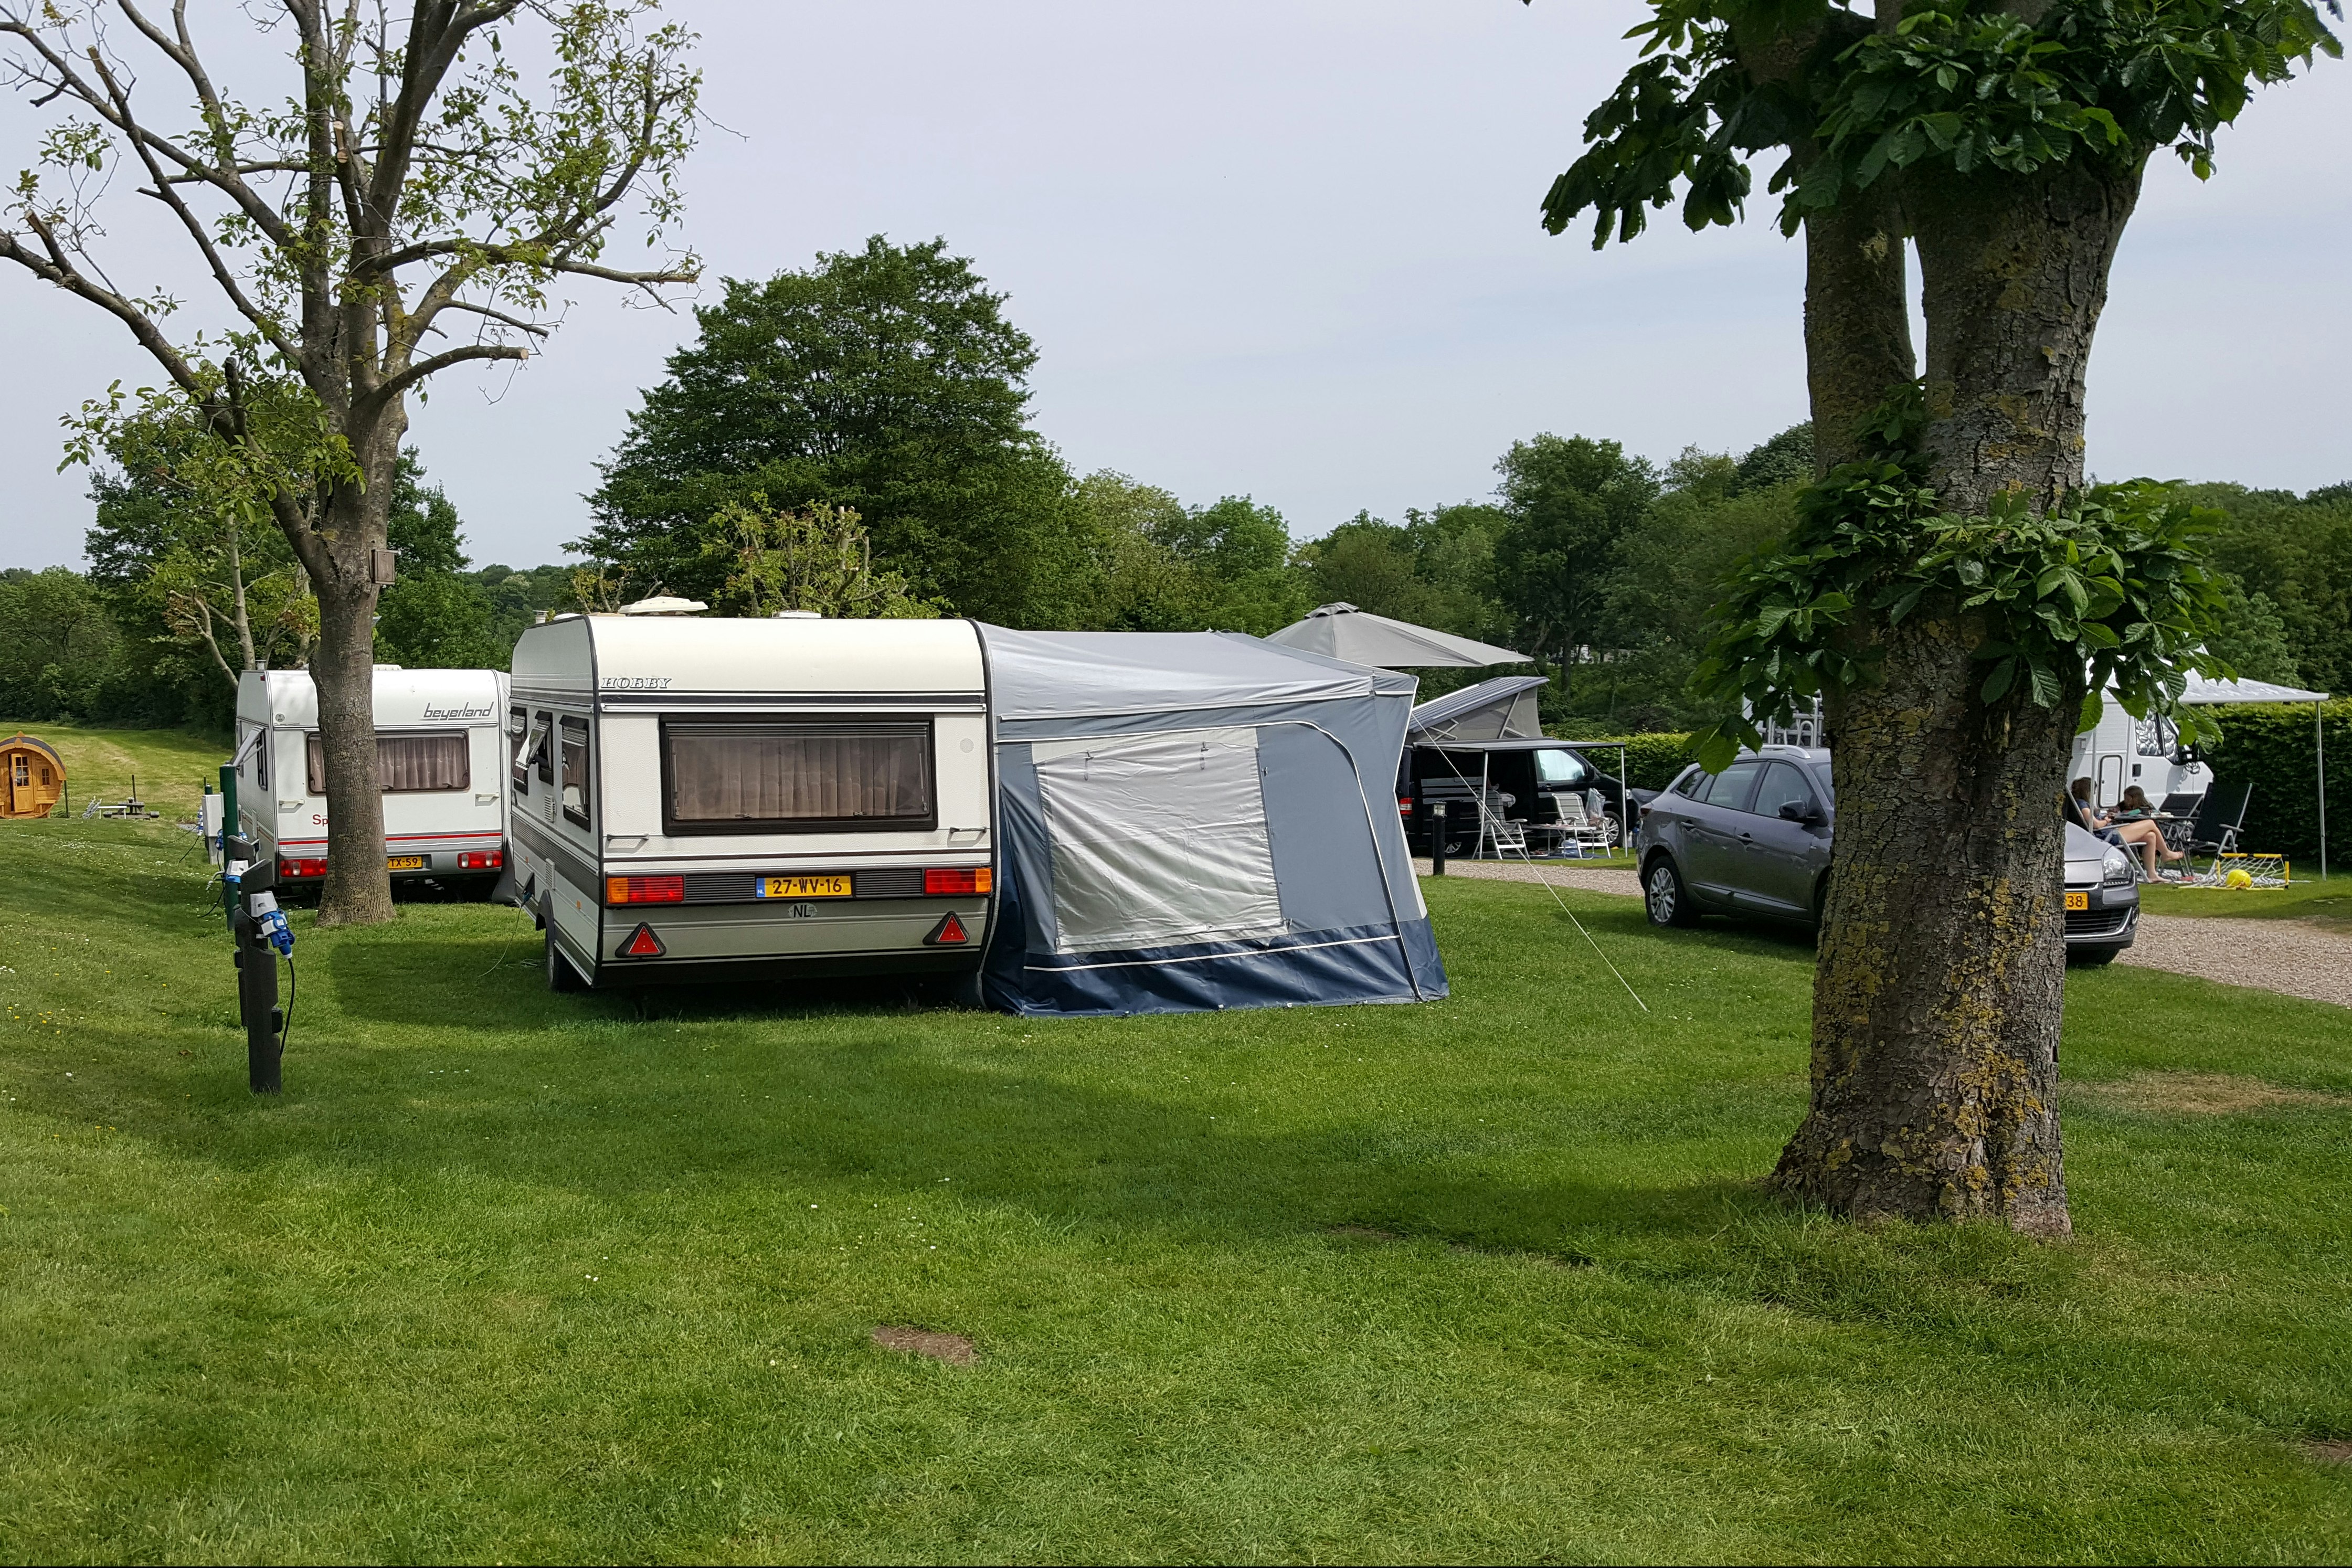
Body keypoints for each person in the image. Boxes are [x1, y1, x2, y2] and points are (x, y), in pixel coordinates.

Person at [2073, 778, 2181, 878]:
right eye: (2093, 791)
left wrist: (2105, 817)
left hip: (2106, 833)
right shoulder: (2082, 804)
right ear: (2088, 791)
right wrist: (2106, 820)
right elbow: (2095, 825)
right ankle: (2166, 853)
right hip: (2106, 836)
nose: (2094, 794)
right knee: (2150, 823)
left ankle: (2152, 875)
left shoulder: (2079, 803)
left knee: (2151, 836)